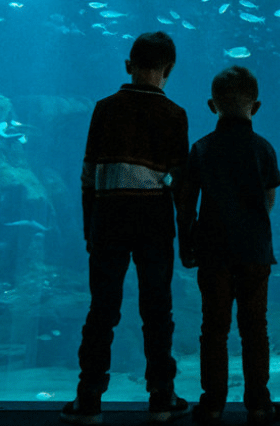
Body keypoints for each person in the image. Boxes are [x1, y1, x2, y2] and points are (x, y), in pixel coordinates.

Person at [62, 31, 190, 425]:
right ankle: (162, 397)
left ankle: (88, 399)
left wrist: (90, 227)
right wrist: (186, 236)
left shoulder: (104, 109)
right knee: (158, 309)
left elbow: (88, 175)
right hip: (154, 220)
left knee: (102, 308)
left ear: (128, 66)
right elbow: (180, 183)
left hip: (109, 218)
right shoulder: (175, 114)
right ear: (169, 70)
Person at [177, 66, 280, 426]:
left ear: (212, 105)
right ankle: (259, 403)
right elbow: (269, 199)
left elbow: (187, 202)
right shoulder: (263, 148)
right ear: (257, 106)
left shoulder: (201, 148)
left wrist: (186, 241)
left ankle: (212, 404)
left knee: (214, 329)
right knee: (255, 329)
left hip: (213, 251)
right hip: (255, 252)